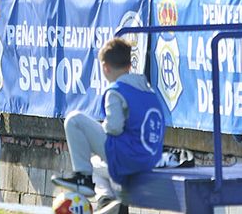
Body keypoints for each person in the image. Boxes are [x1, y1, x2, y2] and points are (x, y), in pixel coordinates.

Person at [52, 38, 167, 203]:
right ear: (129, 66)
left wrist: (94, 137)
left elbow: (114, 128)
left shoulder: (116, 91)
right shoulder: (149, 91)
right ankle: (106, 200)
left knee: (74, 120)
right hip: (150, 159)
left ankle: (83, 179)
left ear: (105, 68)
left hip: (129, 158)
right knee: (96, 166)